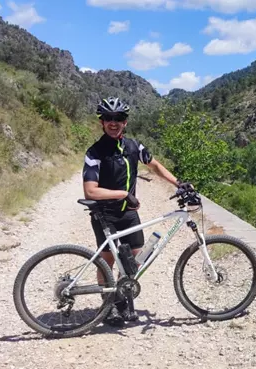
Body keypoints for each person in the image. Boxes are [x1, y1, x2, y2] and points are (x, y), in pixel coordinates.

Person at [81, 96, 188, 326]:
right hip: (105, 214)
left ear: (125, 122)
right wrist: (121, 194)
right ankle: (108, 305)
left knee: (137, 260)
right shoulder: (95, 152)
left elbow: (155, 165)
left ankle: (122, 298)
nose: (113, 122)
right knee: (107, 262)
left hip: (128, 214)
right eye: (108, 118)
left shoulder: (133, 146)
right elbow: (90, 191)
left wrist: (179, 183)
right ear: (102, 121)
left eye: (118, 118)